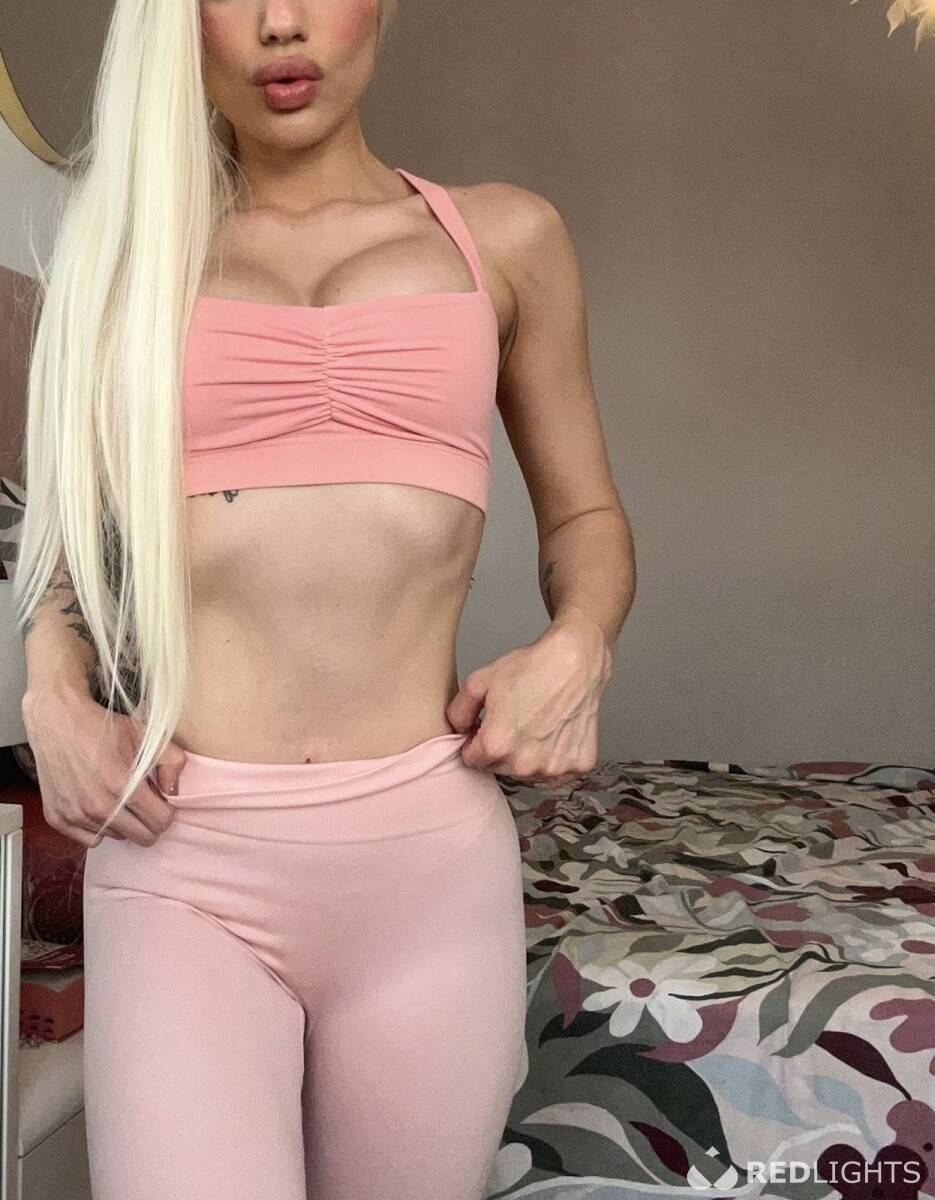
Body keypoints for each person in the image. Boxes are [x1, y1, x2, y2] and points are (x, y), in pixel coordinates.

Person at [14, 1, 636, 1197]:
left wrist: (579, 643)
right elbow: (62, 549)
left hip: (427, 868)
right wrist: (52, 694)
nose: (280, 23)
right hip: (182, 865)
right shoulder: (122, 254)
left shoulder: (503, 239)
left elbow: (584, 519)